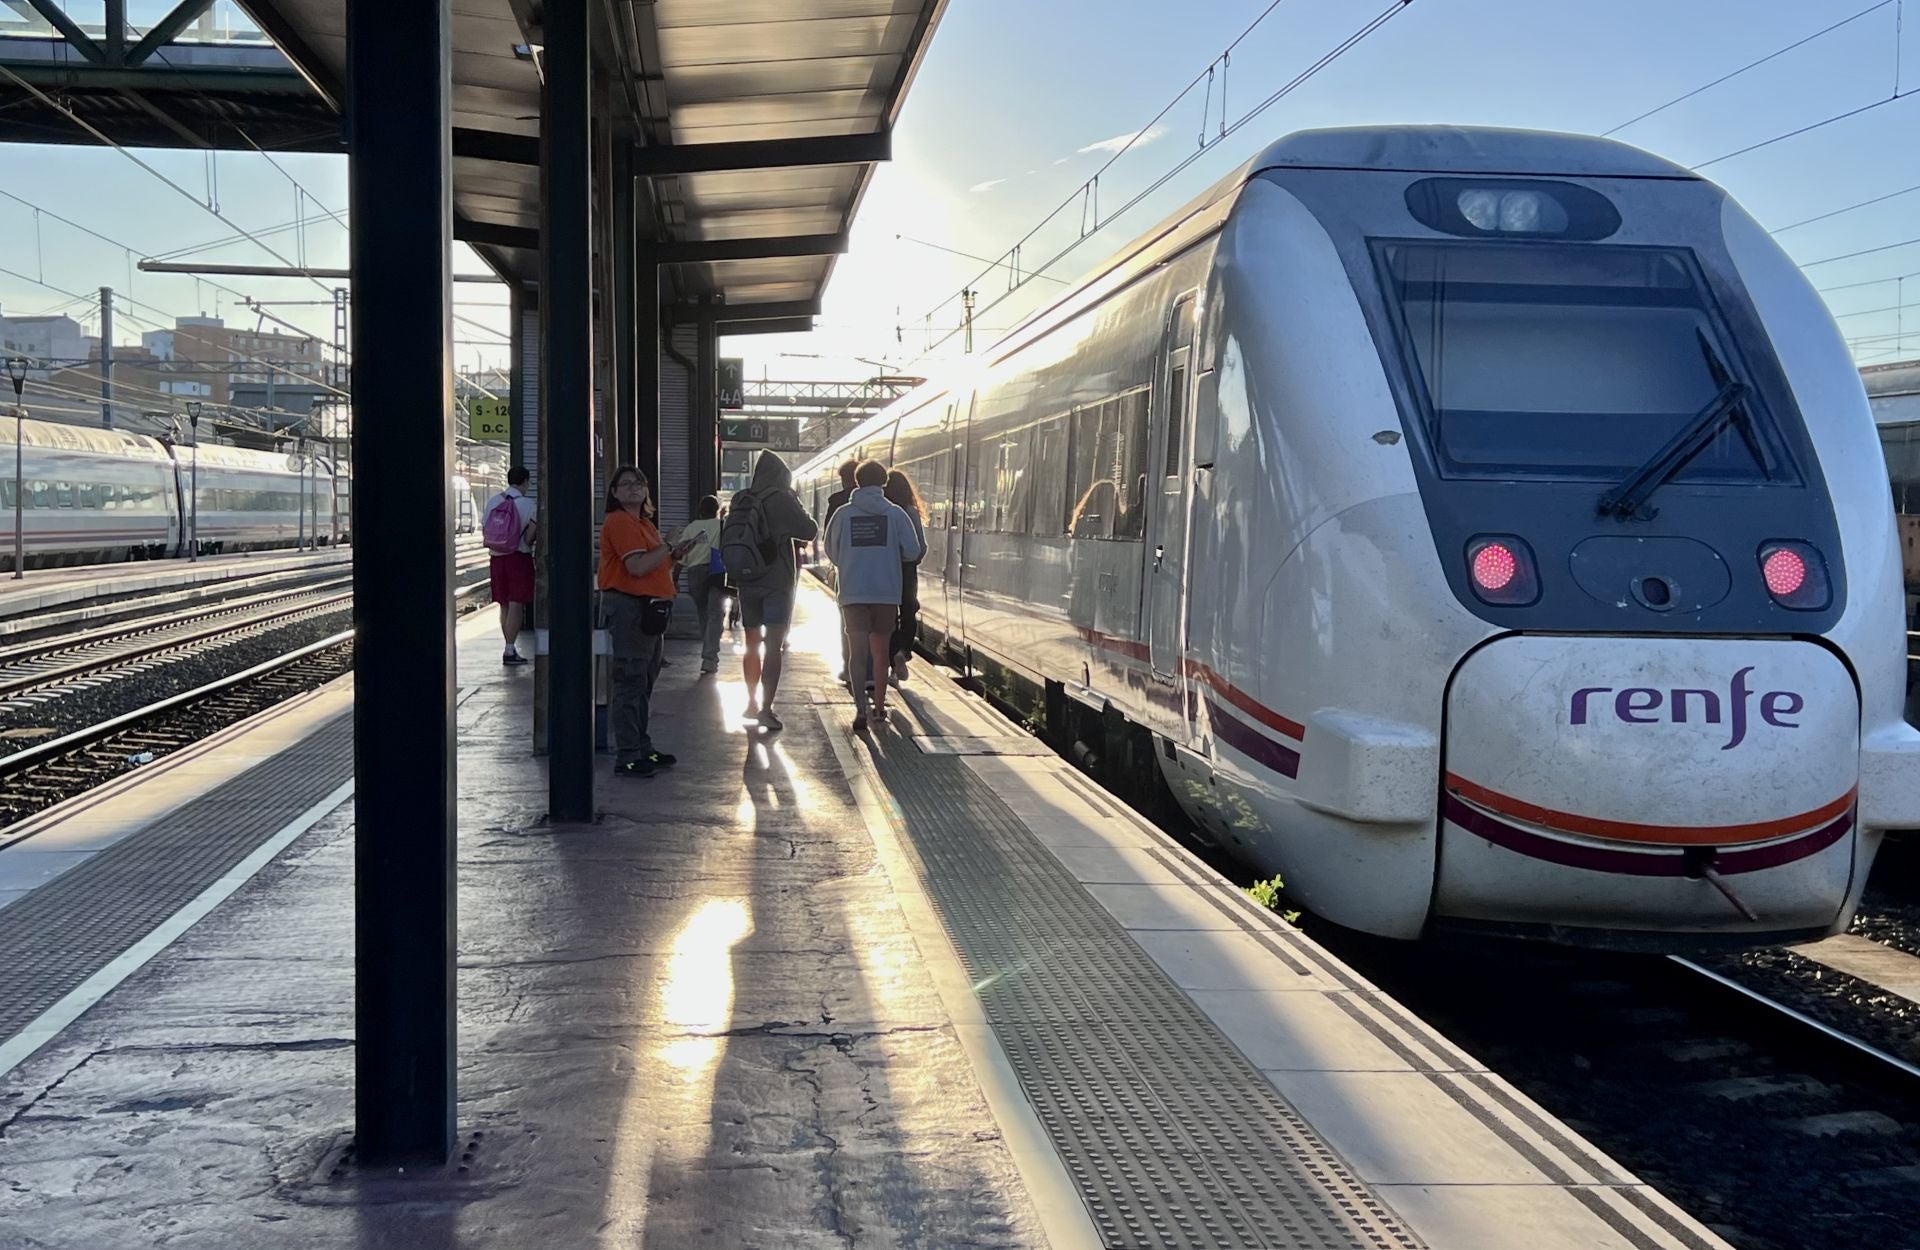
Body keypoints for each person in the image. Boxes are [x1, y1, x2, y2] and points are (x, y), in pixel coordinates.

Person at [598, 466, 695, 778]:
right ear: (613, 493)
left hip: (649, 609)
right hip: (630, 608)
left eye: (638, 482)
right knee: (630, 682)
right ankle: (627, 756)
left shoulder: (643, 523)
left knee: (644, 681)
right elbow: (637, 567)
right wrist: (667, 546)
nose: (633, 488)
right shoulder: (620, 522)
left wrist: (675, 553)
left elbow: (655, 564)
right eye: (624, 484)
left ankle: (641, 747)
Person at [825, 459, 926, 731]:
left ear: (857, 482)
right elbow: (913, 551)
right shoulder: (895, 514)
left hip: (852, 593)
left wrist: (849, 562)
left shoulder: (843, 515)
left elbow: (830, 550)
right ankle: (879, 710)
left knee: (857, 655)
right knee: (880, 654)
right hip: (885, 592)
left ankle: (860, 709)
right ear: (884, 482)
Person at [729, 450, 817, 732]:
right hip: (776, 581)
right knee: (773, 647)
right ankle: (766, 709)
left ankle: (751, 702)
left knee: (751, 643)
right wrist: (794, 501)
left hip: (746, 580)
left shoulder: (741, 498)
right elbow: (809, 530)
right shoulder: (781, 498)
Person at [483, 466, 538, 665]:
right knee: (516, 603)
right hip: (518, 557)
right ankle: (509, 650)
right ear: (525, 482)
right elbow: (531, 536)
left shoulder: (494, 501)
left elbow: (485, 527)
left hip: (496, 557)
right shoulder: (528, 505)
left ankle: (509, 647)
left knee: (503, 603)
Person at [883, 469, 927, 683]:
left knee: (889, 616)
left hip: (885, 569)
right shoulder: (910, 511)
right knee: (909, 611)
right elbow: (921, 546)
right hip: (907, 569)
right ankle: (903, 651)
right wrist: (912, 560)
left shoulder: (884, 511)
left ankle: (892, 664)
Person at [682, 495, 726, 674]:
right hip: (716, 572)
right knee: (716, 615)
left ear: (700, 510)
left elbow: (682, 553)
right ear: (716, 510)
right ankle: (709, 658)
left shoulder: (691, 527)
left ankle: (708, 651)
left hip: (695, 572)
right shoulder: (721, 525)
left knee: (703, 613)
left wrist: (675, 579)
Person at [823, 458, 858, 680]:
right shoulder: (886, 504)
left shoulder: (837, 502)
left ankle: (849, 667)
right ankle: (875, 672)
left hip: (846, 572)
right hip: (878, 575)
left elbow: (828, 538)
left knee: (847, 623)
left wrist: (839, 563)